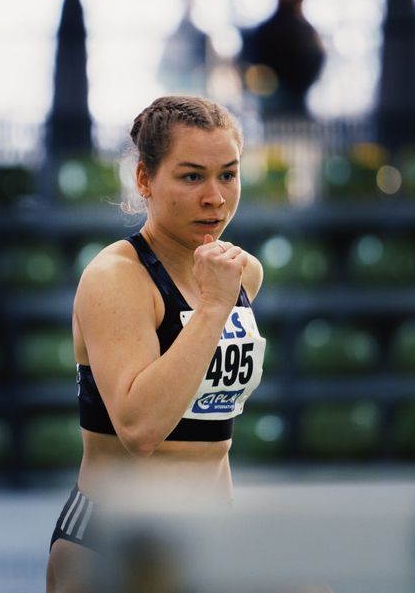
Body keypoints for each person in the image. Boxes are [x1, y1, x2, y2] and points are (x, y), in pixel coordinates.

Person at [46, 95, 266, 592]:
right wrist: (212, 310)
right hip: (115, 540)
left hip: (209, 533)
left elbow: (211, 432)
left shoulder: (241, 273)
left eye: (228, 175)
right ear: (144, 179)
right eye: (192, 177)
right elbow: (141, 428)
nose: (215, 197)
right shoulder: (115, 279)